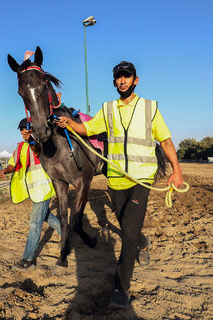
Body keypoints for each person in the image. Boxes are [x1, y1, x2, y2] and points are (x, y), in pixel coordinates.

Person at [56, 61, 184, 307]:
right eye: (118, 78)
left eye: (127, 77)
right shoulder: (108, 109)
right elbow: (87, 129)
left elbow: (166, 141)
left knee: (127, 234)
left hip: (141, 179)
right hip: (115, 179)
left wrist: (176, 171)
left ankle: (121, 289)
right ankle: (143, 243)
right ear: (114, 82)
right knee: (129, 231)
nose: (122, 81)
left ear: (136, 80)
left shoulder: (150, 108)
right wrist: (69, 123)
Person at [0, 118, 61, 269]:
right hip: (33, 191)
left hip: (44, 189)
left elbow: (37, 150)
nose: (22, 131)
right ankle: (67, 234)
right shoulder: (20, 146)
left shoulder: (40, 143)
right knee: (46, 216)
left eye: (25, 128)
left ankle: (29, 259)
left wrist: (32, 140)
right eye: (20, 129)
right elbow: (13, 164)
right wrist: (6, 170)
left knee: (35, 223)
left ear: (31, 129)